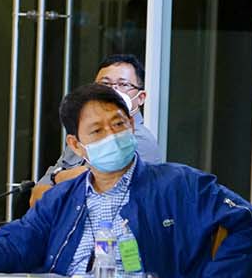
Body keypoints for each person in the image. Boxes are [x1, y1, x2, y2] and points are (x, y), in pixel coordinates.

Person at [0, 82, 252, 278]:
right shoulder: (62, 198)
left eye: (119, 124)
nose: (112, 135)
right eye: (97, 130)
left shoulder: (179, 184)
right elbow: (17, 241)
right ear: (76, 145)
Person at [37, 54, 162, 192]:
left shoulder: (137, 139)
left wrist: (58, 177)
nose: (112, 91)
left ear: (141, 98)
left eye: (123, 84)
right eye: (105, 84)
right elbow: (37, 197)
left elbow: (101, 189)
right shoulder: (82, 135)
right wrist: (60, 177)